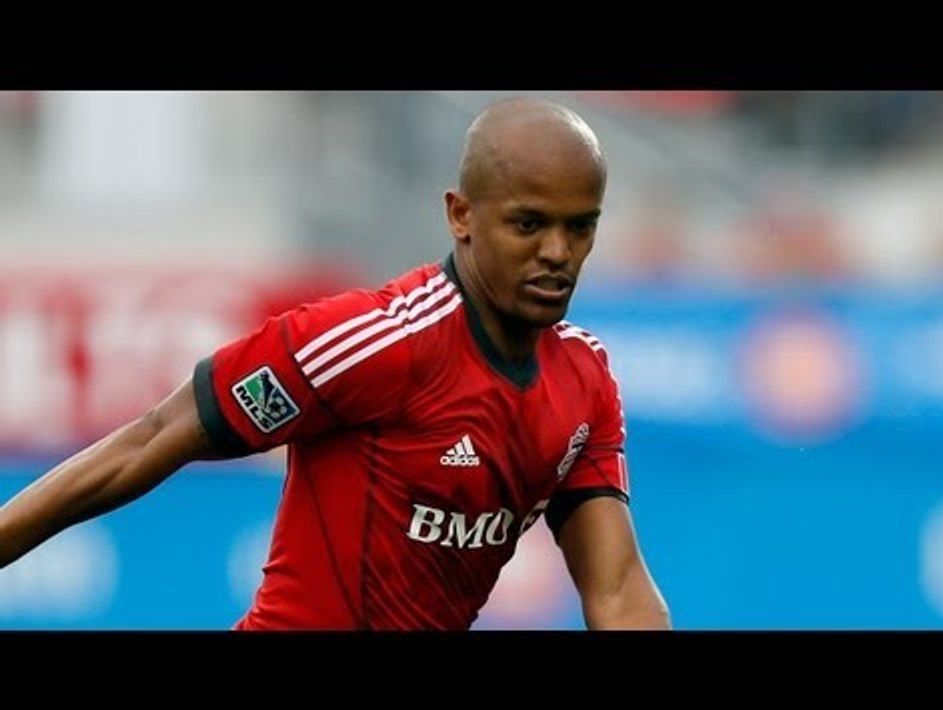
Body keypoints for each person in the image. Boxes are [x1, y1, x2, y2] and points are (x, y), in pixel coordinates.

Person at [0, 97, 671, 630]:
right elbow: (153, 437)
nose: (557, 252)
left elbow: (616, 589)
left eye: (580, 226)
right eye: (528, 224)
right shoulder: (372, 344)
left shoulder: (584, 380)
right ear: (461, 215)